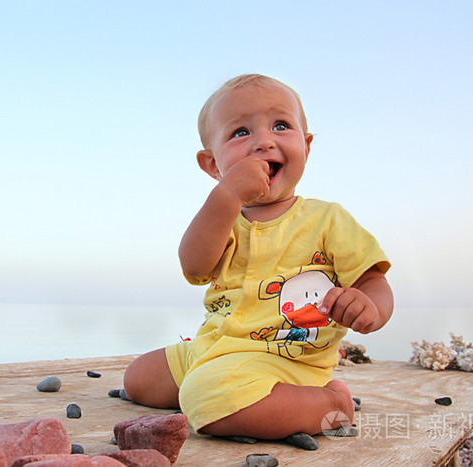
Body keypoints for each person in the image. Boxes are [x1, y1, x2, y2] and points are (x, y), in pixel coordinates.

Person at [123, 74, 393, 439]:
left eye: (281, 126)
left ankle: (332, 405)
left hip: (287, 356)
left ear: (307, 145)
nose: (264, 142)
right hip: (215, 346)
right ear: (213, 165)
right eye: (240, 133)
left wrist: (369, 308)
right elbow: (194, 266)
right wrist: (227, 196)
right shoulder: (222, 219)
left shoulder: (328, 219)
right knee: (138, 377)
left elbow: (372, 281)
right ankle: (234, 395)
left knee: (205, 394)